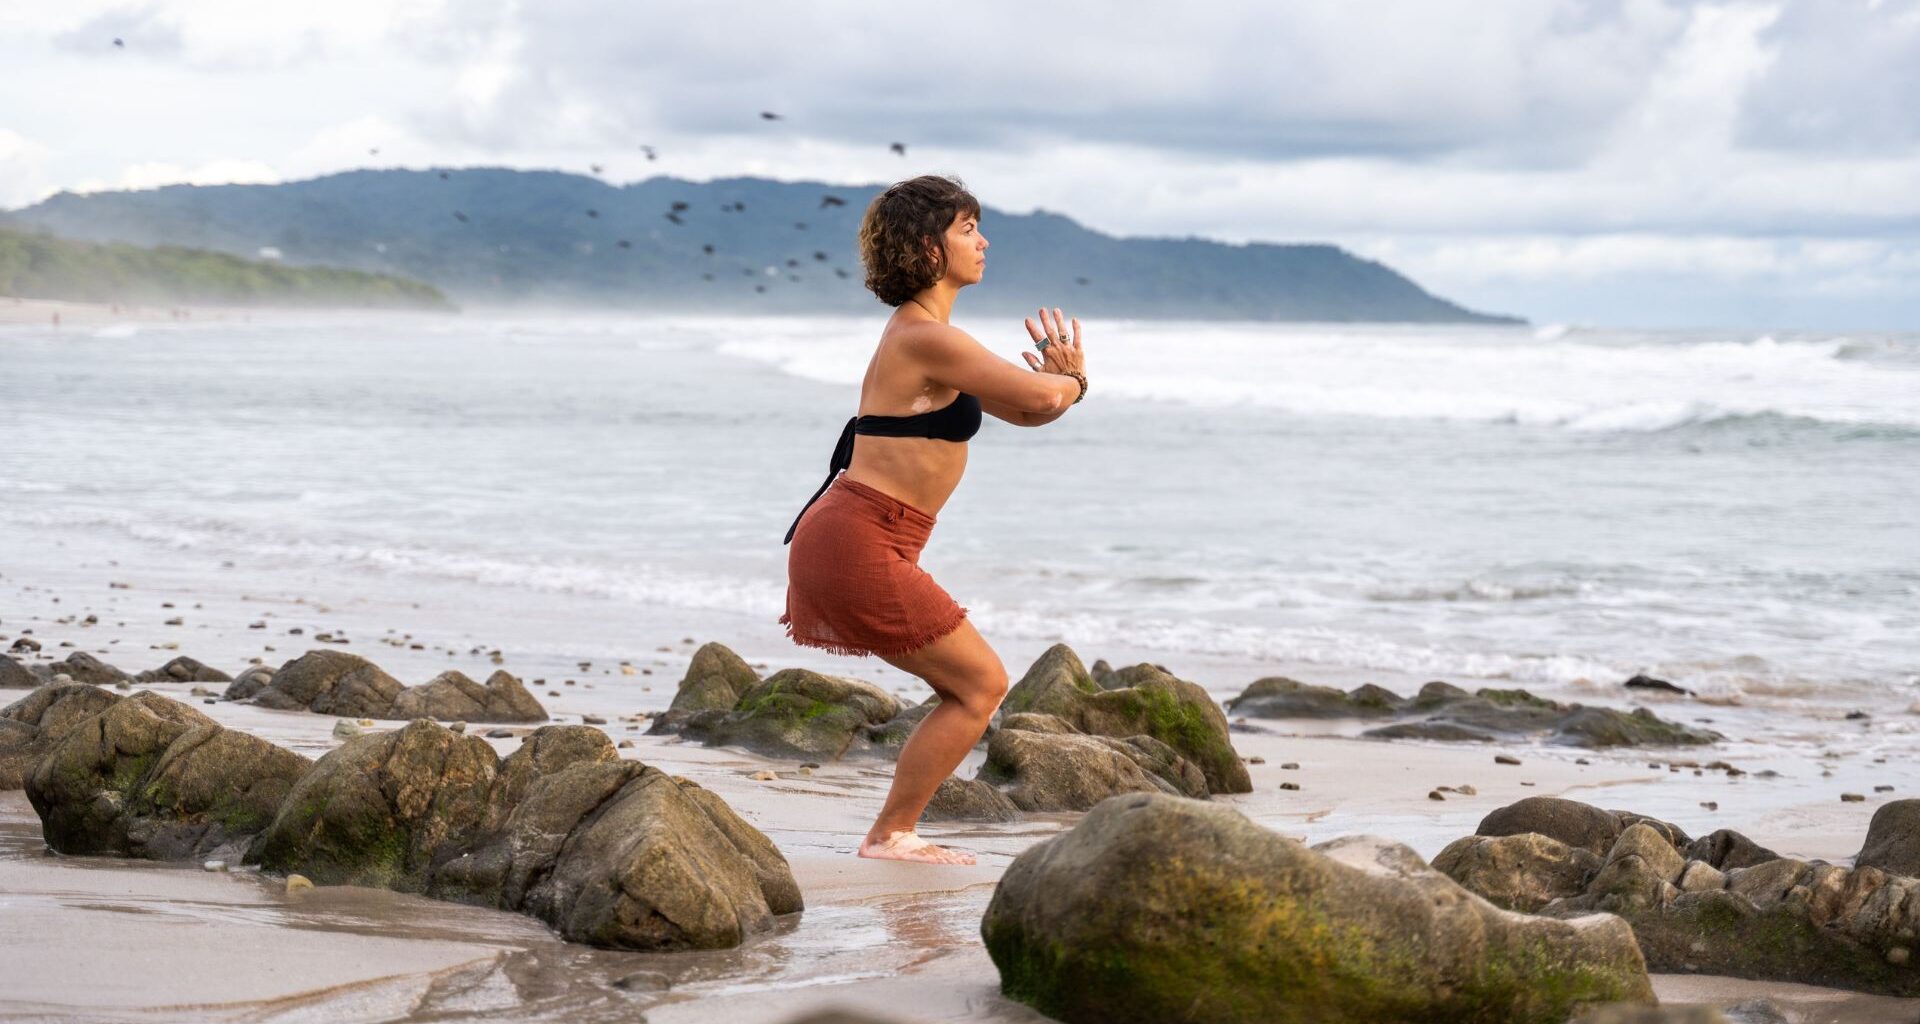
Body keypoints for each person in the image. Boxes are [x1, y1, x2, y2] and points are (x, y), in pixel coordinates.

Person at [778, 174, 1089, 865]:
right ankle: (890, 835)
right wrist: (1073, 380)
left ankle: (892, 830)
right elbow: (1044, 394)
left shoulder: (931, 338)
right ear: (928, 246)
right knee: (980, 685)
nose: (984, 241)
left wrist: (1060, 390)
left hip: (864, 536)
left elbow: (1030, 410)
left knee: (968, 685)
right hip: (859, 536)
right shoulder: (924, 336)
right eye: (967, 228)